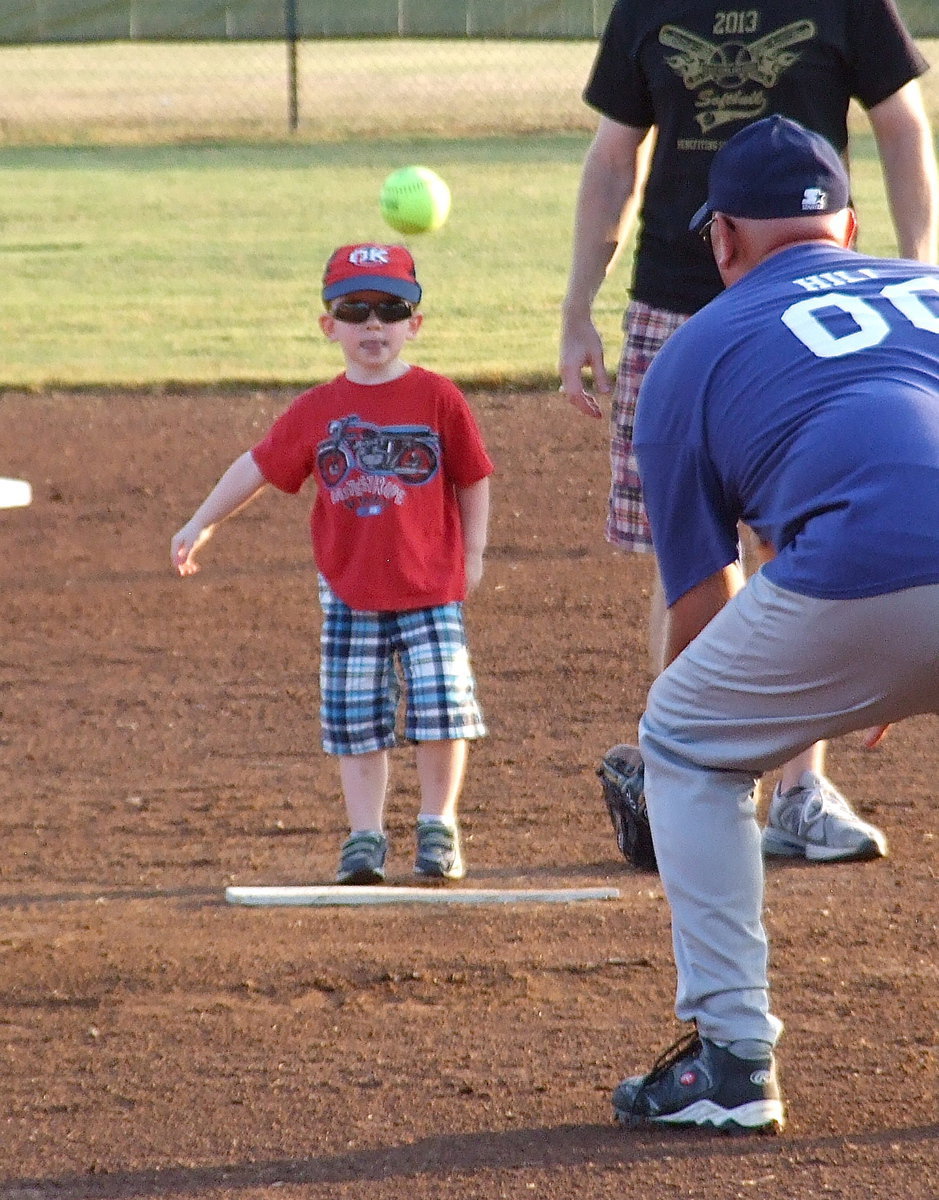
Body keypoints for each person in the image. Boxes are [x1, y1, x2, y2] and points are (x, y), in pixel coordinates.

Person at [609, 115, 939, 1134]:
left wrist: (832, 681)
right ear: (847, 226)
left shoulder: (696, 350)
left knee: (684, 739)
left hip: (869, 569)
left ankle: (734, 1062)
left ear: (722, 242)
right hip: (885, 569)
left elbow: (704, 602)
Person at [558, 0, 939, 863]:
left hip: (815, 292)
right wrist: (578, 300)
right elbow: (615, 154)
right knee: (687, 543)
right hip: (677, 295)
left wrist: (916, 268)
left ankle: (791, 792)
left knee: (806, 525)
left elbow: (901, 125)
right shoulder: (649, 6)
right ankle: (684, 778)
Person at [171, 243, 493, 884]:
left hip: (430, 585)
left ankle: (438, 826)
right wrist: (201, 519)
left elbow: (473, 476)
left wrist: (476, 552)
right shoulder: (319, 409)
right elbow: (258, 466)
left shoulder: (437, 397)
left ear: (415, 322)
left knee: (443, 708)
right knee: (356, 720)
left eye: (391, 308)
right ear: (329, 325)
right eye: (355, 309)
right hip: (349, 591)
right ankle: (365, 837)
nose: (374, 324)